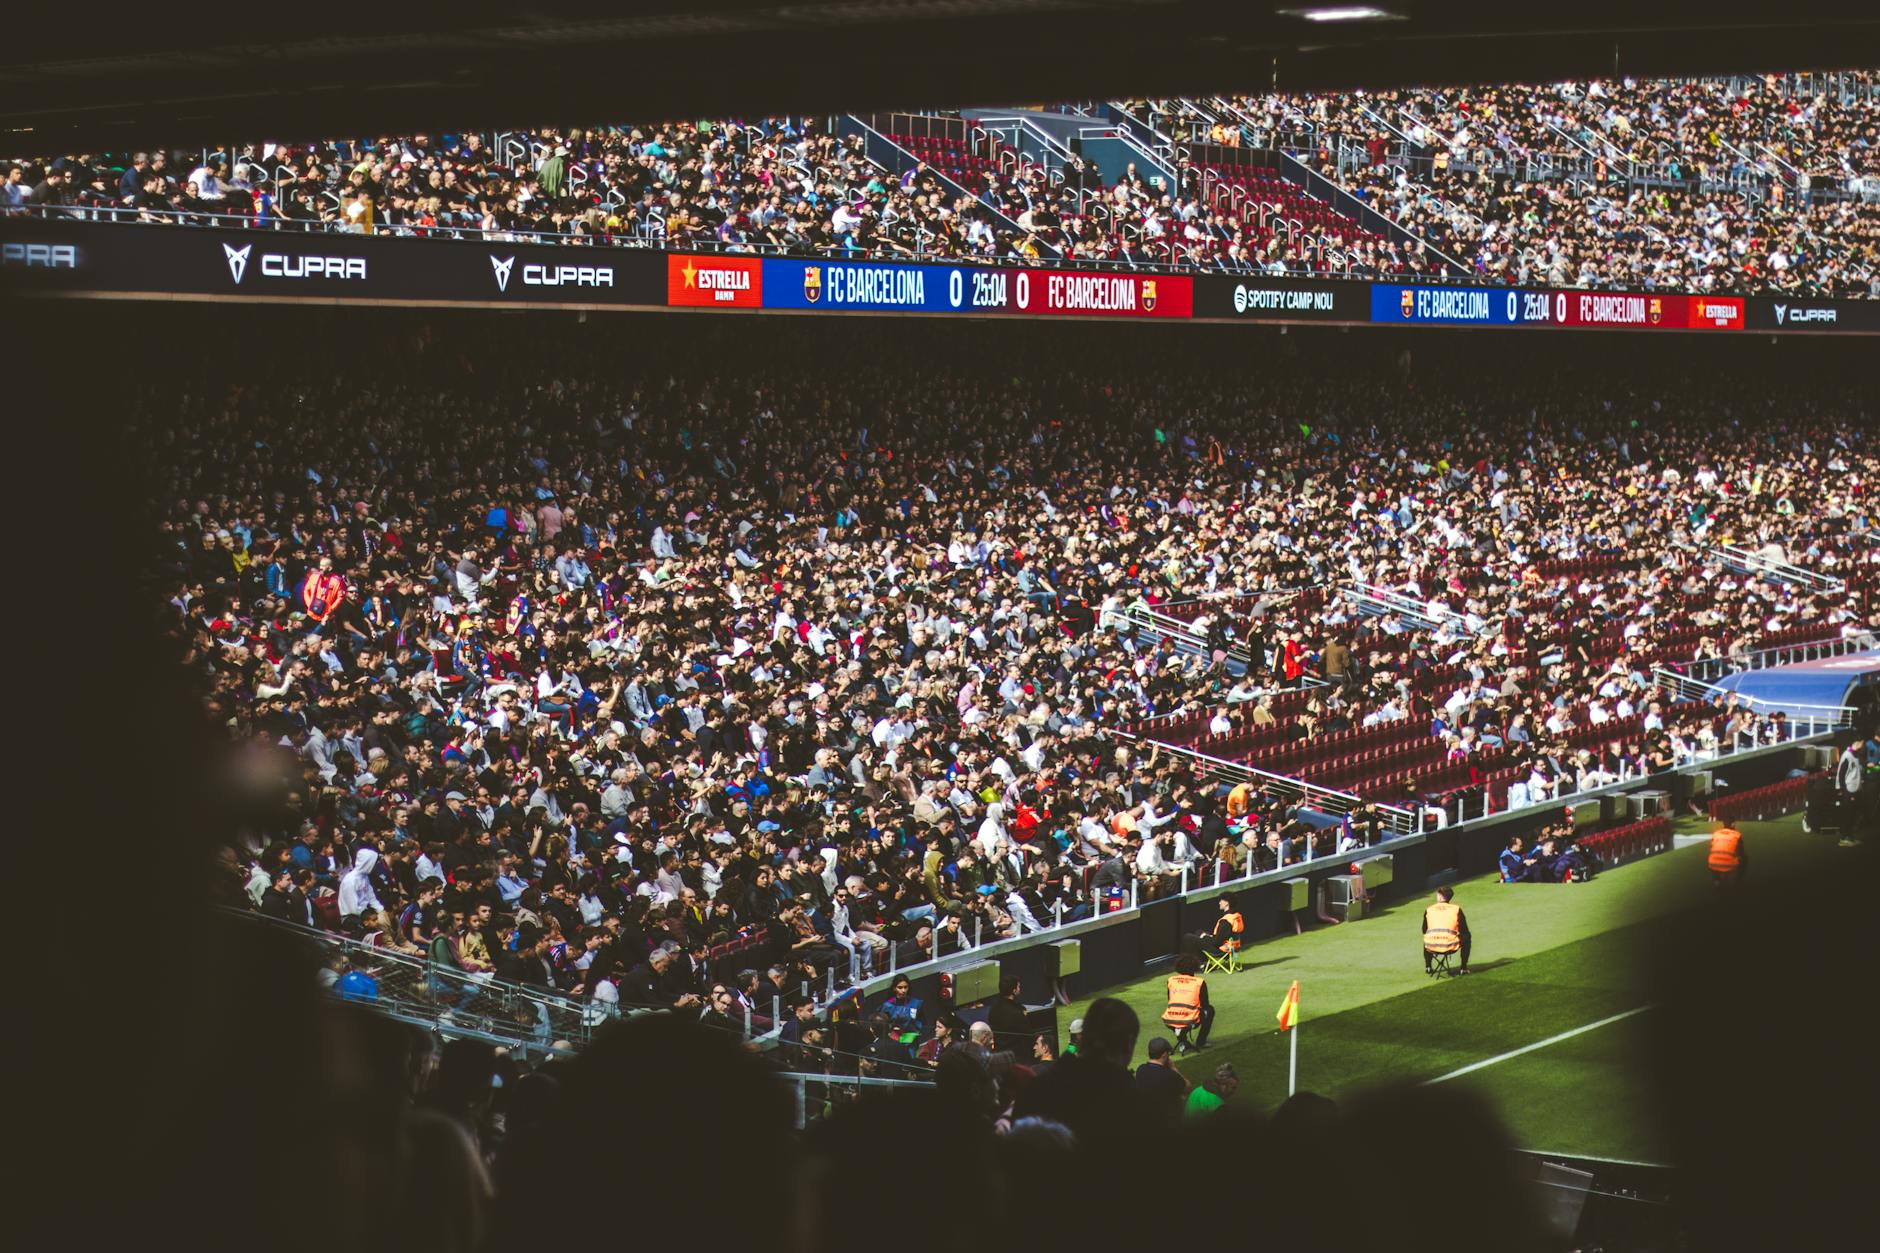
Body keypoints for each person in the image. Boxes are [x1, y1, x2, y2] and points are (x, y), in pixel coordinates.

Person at [1161, 953, 1213, 1054]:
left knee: (1179, 1015)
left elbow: (1170, 999)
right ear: (1195, 967)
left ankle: (1182, 1039)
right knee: (1210, 1010)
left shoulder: (1171, 980)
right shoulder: (1199, 982)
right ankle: (1201, 1042)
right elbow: (1205, 1004)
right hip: (1190, 1019)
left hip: (1169, 1019)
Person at [1133, 1037, 1188, 1122]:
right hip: (1166, 1121)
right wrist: (1173, 1068)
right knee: (1181, 1097)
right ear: (1164, 1054)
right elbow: (1187, 1087)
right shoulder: (1170, 1075)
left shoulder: (1141, 1070)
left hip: (1146, 1117)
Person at [1422, 885, 1470, 974]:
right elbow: (1464, 930)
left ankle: (1428, 966)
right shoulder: (1456, 909)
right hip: (1450, 945)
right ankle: (1463, 968)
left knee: (1427, 937)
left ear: (1440, 897)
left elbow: (1424, 930)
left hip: (1431, 946)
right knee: (1467, 937)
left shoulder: (1429, 909)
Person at [985, 975, 1032, 1056]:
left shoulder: (993, 1009)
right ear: (1014, 991)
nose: (1019, 989)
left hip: (998, 1053)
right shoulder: (1017, 1014)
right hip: (1014, 1054)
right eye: (1018, 987)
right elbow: (1027, 1034)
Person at [1201, 895, 1244, 962]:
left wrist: (1205, 937)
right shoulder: (1236, 916)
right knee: (1199, 932)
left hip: (1222, 950)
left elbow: (1216, 942)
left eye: (1221, 901)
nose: (1219, 903)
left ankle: (1202, 964)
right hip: (1234, 948)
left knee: (1189, 938)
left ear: (1227, 903)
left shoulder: (1225, 921)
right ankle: (1203, 964)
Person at [1707, 821, 1746, 886]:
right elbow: (1741, 852)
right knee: (1745, 858)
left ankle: (1716, 881)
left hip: (1713, 863)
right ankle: (1738, 880)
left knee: (1714, 859)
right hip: (1729, 864)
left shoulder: (1716, 833)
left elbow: (1712, 847)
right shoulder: (1737, 834)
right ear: (1733, 824)